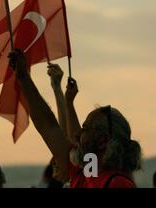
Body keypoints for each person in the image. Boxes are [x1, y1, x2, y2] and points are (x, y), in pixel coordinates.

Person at [9, 49, 142, 188]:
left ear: (103, 141)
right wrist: (24, 78)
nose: (78, 133)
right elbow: (49, 127)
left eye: (85, 129)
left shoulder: (117, 184)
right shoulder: (86, 171)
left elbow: (51, 128)